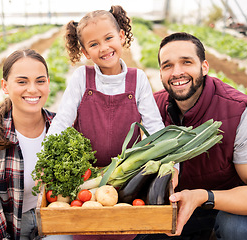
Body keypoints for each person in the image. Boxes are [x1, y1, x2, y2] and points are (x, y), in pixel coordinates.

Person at [135, 32, 247, 240]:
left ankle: (213, 231)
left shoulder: (240, 113)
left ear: (204, 67)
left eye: (186, 62)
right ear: (160, 73)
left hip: (230, 207)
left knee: (237, 230)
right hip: (177, 205)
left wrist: (203, 196)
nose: (177, 72)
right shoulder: (152, 110)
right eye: (167, 65)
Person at [46, 5, 171, 240]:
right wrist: (47, 156)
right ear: (84, 51)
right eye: (93, 44)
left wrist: (171, 165)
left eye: (109, 38)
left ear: (122, 36)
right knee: (86, 227)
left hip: (125, 178)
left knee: (121, 227)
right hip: (86, 177)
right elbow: (62, 121)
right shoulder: (81, 78)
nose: (103, 48)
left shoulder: (138, 79)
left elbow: (154, 127)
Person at [0, 49, 70, 240]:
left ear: (48, 84)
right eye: (22, 82)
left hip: (55, 220)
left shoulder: (61, 129)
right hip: (12, 229)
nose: (32, 89)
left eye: (40, 81)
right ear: (5, 86)